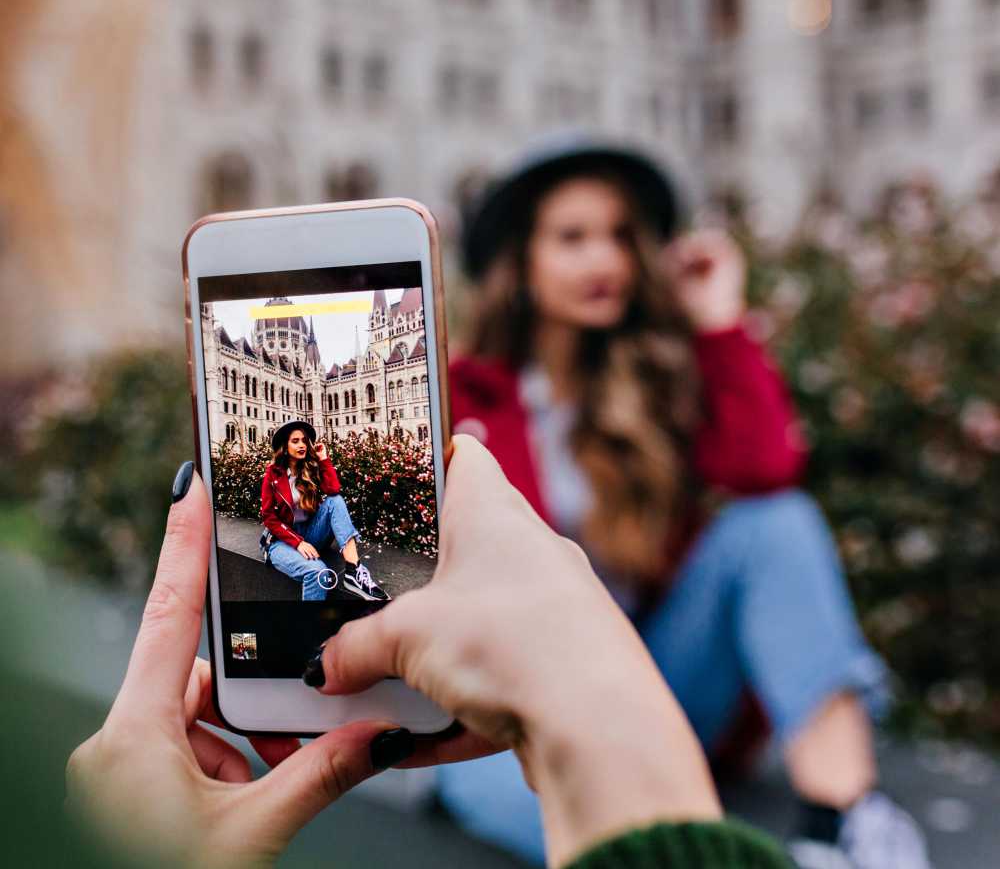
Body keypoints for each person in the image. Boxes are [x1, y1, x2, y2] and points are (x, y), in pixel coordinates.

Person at [438, 137, 931, 869]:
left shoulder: (661, 377)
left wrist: (720, 319)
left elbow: (766, 472)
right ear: (520, 260)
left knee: (774, 526)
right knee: (587, 823)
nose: (605, 260)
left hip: (658, 690)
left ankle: (846, 819)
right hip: (515, 719)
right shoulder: (460, 398)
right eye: (573, 238)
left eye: (620, 237)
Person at [63, 446, 793, 868]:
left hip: (495, 676)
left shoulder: (643, 377)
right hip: (510, 686)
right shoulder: (487, 393)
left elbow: (760, 460)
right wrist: (607, 729)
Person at [261, 420, 389, 602]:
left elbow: (333, 490)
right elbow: (269, 518)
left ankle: (353, 570)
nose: (302, 445)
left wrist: (323, 459)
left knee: (335, 501)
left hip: (310, 533)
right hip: (281, 540)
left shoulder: (309, 468)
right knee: (318, 572)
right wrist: (297, 542)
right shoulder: (272, 474)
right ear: (285, 446)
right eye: (295, 441)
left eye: (304, 440)